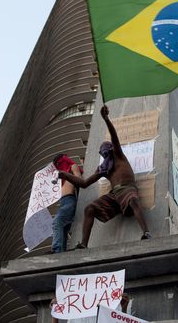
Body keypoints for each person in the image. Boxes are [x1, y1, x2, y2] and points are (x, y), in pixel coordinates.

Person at [58, 105, 151, 249]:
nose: (105, 155)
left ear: (112, 150)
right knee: (89, 209)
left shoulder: (119, 156)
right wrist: (66, 175)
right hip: (114, 196)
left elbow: (114, 137)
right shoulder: (104, 169)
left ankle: (146, 233)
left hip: (127, 189)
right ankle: (83, 244)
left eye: (107, 151)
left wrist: (106, 119)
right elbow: (84, 183)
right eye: (103, 153)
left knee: (132, 199)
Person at [51, 153, 82, 253]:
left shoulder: (72, 167)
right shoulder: (61, 178)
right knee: (63, 230)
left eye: (59, 163)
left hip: (70, 200)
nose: (59, 166)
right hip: (63, 202)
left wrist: (67, 175)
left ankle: (57, 249)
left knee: (57, 221)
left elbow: (79, 179)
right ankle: (61, 252)